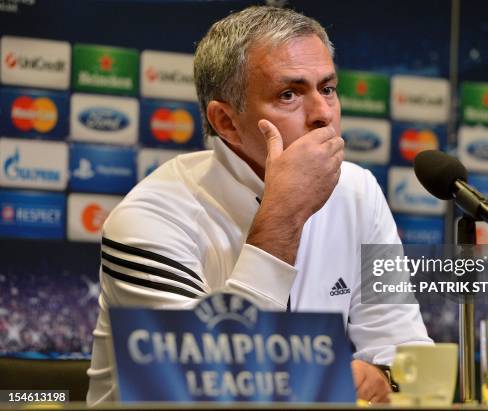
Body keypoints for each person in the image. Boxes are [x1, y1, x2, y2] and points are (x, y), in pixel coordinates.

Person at [86, 5, 431, 405]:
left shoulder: (358, 191)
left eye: (328, 89)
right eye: (290, 95)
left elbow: (409, 354)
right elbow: (198, 391)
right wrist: (282, 214)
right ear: (227, 122)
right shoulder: (147, 220)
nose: (323, 115)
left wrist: (384, 378)